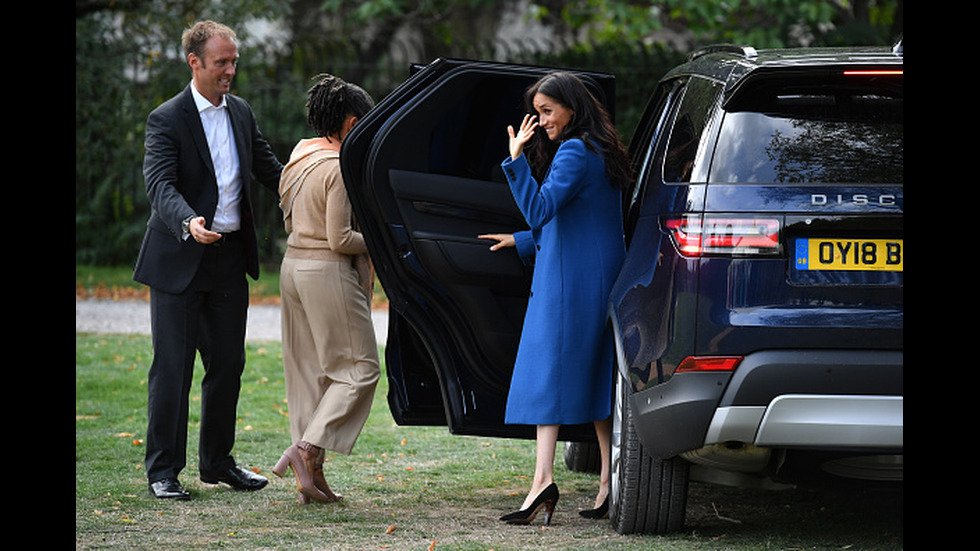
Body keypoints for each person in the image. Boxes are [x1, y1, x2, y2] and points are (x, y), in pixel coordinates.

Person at [133, 20, 284, 500]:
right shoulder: (166, 118)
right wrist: (189, 221)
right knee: (172, 369)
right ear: (194, 62)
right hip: (179, 258)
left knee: (227, 365)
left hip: (228, 260)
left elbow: (269, 169)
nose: (231, 70)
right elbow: (160, 185)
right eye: (222, 62)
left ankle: (218, 463)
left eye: (234, 61)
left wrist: (313, 184)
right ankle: (163, 471)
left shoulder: (240, 112)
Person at [480, 72, 631, 525]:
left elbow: (542, 208)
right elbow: (580, 217)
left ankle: (543, 481)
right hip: (596, 274)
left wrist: (515, 159)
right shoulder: (599, 148)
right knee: (595, 376)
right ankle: (608, 483)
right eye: (539, 111)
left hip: (570, 281)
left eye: (548, 111)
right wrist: (524, 241)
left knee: (551, 374)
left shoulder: (572, 151)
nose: (541, 120)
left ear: (571, 107)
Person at [272, 74, 380, 504]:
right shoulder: (336, 167)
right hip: (326, 271)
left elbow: (287, 221)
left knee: (309, 378)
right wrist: (381, 239)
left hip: (292, 268)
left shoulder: (298, 157)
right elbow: (340, 239)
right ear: (352, 123)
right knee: (359, 370)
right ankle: (306, 451)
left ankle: (310, 480)